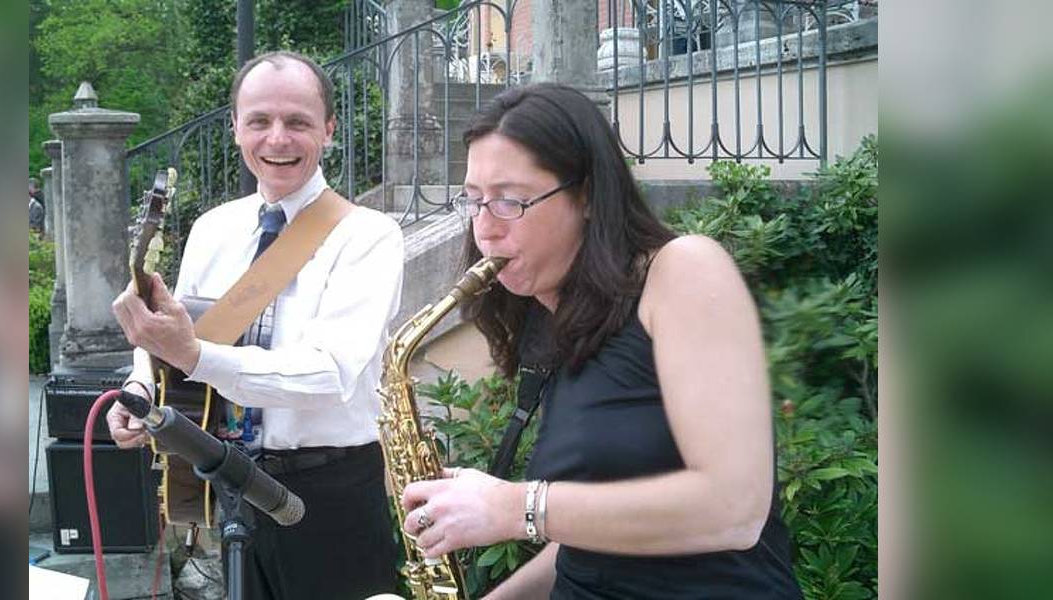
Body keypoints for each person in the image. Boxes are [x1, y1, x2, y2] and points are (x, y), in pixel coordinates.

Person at [399, 83, 803, 599]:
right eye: (475, 201)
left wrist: (515, 507)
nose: (485, 229)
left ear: (587, 195)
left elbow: (734, 510)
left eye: (509, 200)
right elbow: (588, 548)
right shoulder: (555, 317)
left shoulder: (684, 270)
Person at [106, 51, 403, 599]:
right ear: (236, 127)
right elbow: (178, 338)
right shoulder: (212, 230)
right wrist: (141, 387)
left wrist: (194, 356)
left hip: (328, 491)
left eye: (298, 122)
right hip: (230, 484)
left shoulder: (369, 236)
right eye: (260, 120)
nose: (277, 139)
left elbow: (329, 374)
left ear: (329, 130)